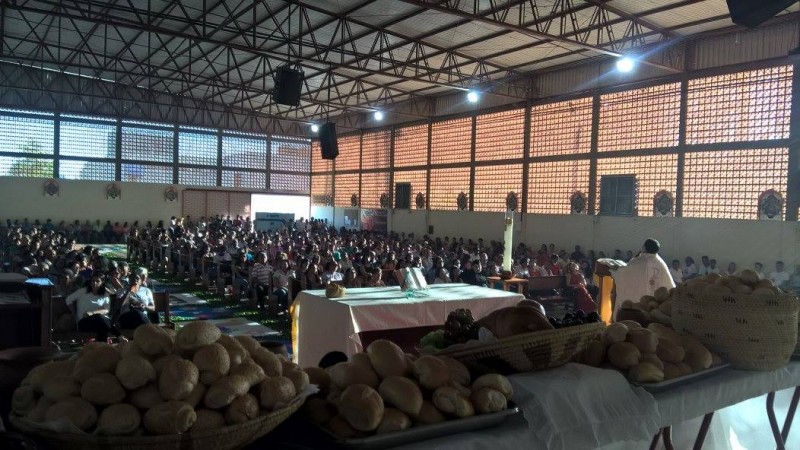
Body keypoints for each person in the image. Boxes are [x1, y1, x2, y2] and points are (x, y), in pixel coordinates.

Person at [606, 239, 676, 321]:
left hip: (637, 305)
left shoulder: (639, 261)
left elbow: (623, 273)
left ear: (644, 248)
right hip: (655, 304)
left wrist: (615, 271)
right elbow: (669, 286)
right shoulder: (660, 263)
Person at [66, 273, 122, 341]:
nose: (94, 283)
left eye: (97, 281)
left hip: (100, 322)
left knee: (101, 324)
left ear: (102, 283)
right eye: (93, 281)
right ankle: (118, 335)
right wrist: (74, 314)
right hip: (84, 322)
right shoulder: (83, 291)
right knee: (100, 319)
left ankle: (102, 345)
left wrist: (92, 313)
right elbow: (68, 299)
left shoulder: (105, 294)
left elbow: (106, 309)